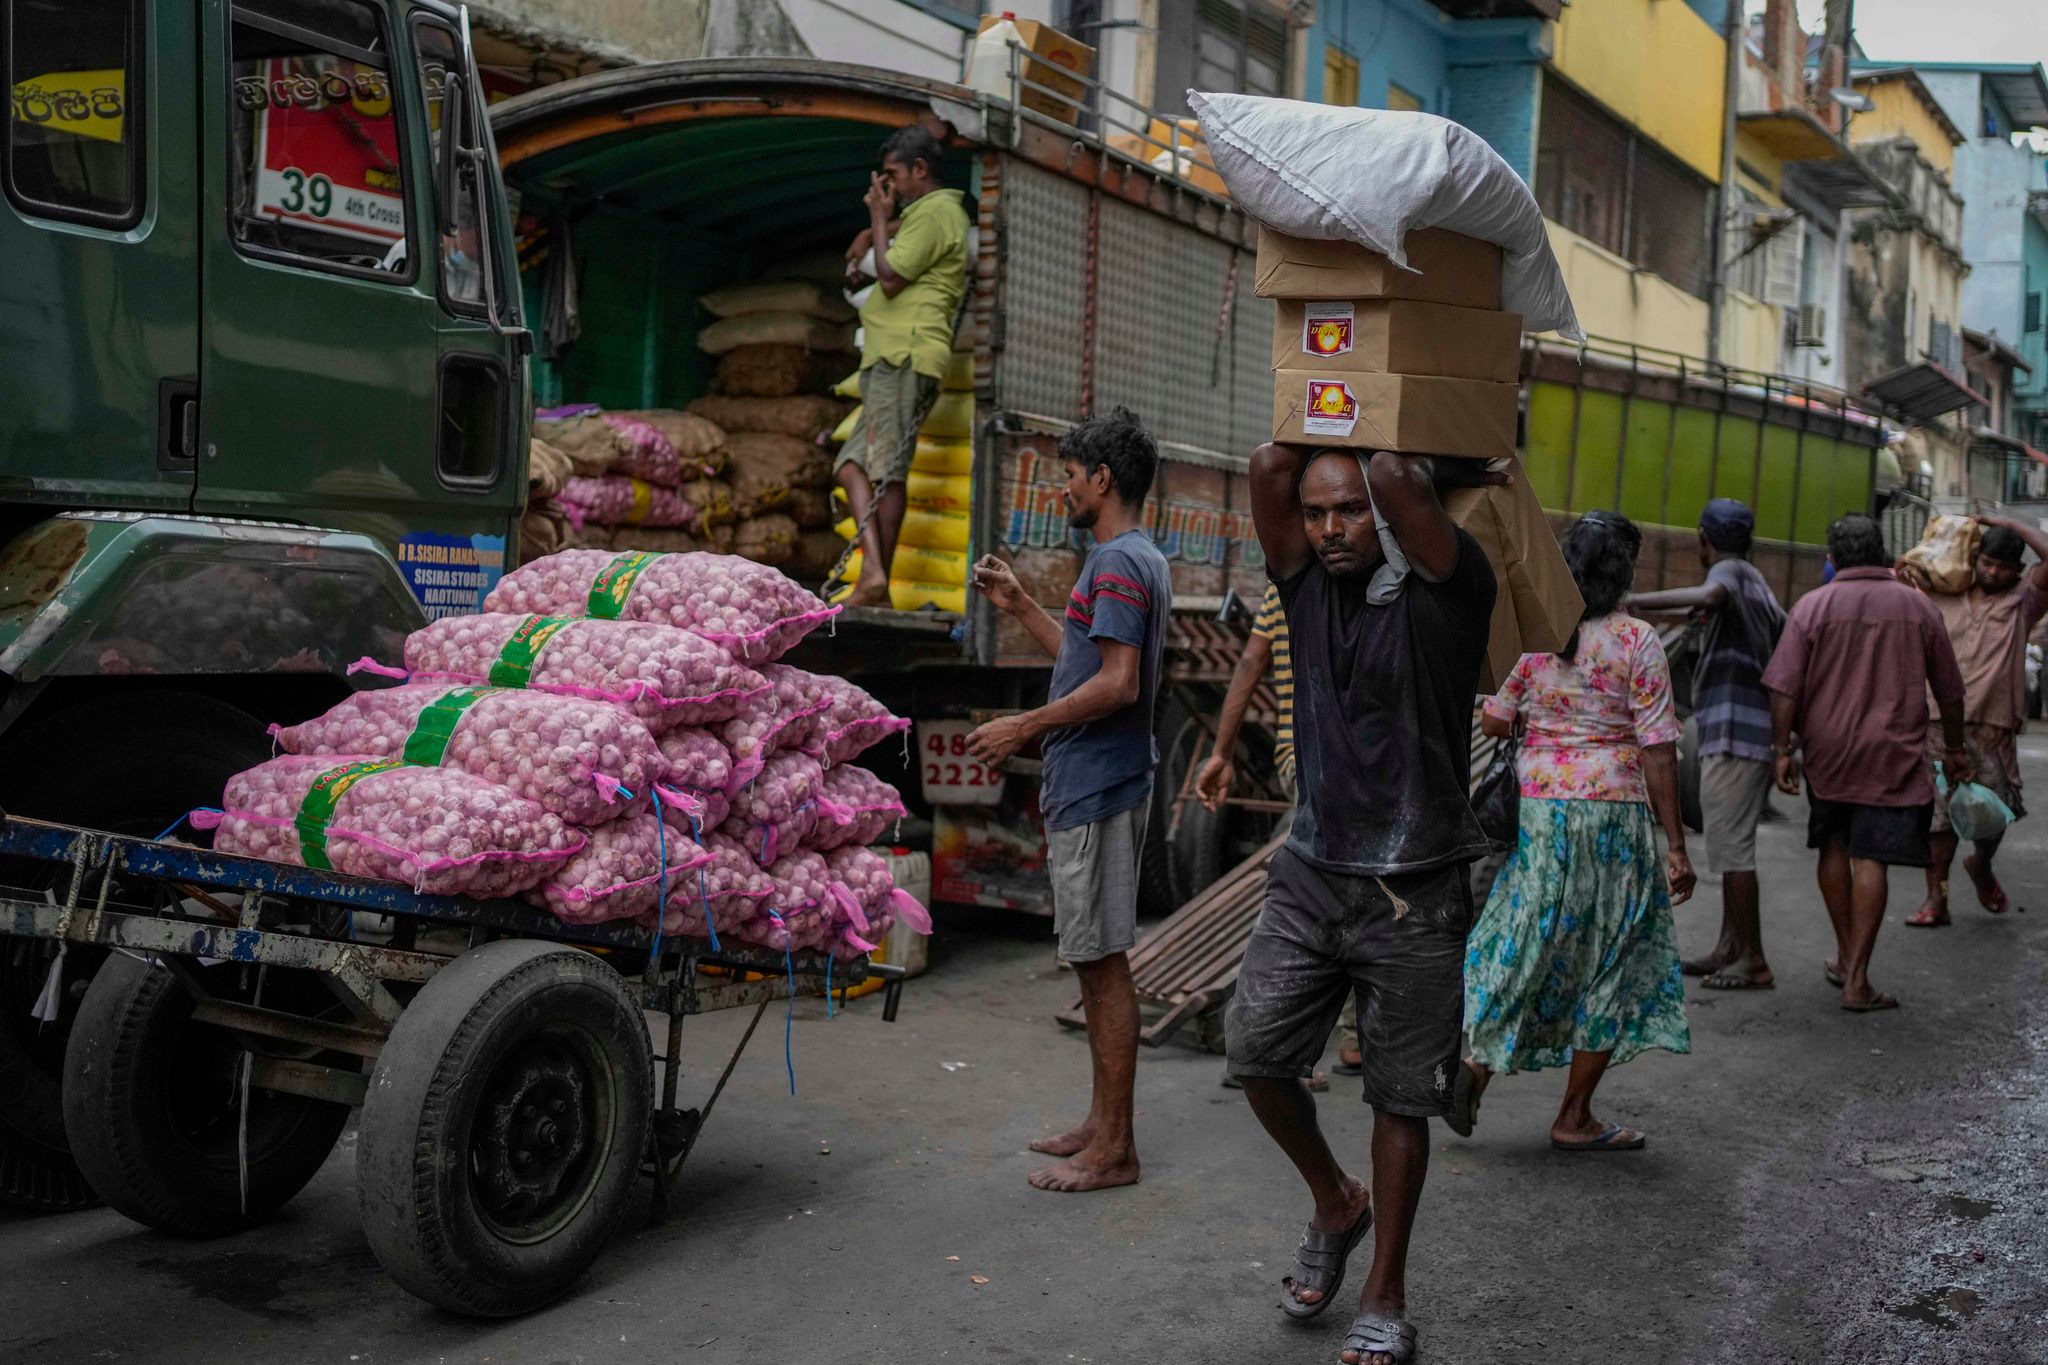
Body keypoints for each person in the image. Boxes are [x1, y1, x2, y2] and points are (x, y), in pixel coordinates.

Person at [1228, 443, 1499, 1365]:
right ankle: (1337, 1201)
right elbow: (1269, 464)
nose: (1330, 529)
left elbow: (1394, 474)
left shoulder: (1452, 593)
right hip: (1311, 870)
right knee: (1256, 1054)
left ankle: (1386, 1293)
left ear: (1385, 515)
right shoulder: (1303, 587)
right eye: (1317, 513)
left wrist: (1389, 424)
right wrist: (1330, 384)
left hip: (1416, 886)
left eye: (1348, 511)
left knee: (1399, 1096)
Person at [966, 407, 1169, 1193]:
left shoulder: (1118, 561)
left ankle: (1116, 1147)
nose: (1061, 490)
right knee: (1094, 959)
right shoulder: (1132, 557)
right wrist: (1021, 606)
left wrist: (1025, 723)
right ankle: (1101, 1121)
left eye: (1067, 475)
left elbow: (1118, 685)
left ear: (1102, 479)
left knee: (1103, 960)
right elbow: (1092, 660)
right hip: (1098, 779)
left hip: (1098, 782)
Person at [1462, 512, 1696, 1152]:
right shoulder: (1638, 640)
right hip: (1615, 813)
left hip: (1543, 810)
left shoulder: (1536, 637)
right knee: (1612, 954)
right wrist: (1675, 845)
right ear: (1625, 572)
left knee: (1525, 935)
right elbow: (1658, 749)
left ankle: (1475, 1067)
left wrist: (1549, 723)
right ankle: (1574, 1116)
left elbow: (1492, 720)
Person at [1761, 514, 1971, 1011]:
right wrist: (1957, 747)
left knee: (1832, 844)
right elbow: (1951, 690)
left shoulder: (1812, 607)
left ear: (1832, 558)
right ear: (1882, 552)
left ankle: (1843, 952)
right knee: (1870, 856)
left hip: (1828, 750)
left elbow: (1784, 690)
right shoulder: (1918, 608)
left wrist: (1781, 751)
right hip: (1893, 752)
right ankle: (1857, 976)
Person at [1195, 584, 1360, 1085]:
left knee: (1340, 892)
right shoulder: (1358, 581)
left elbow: (1250, 664)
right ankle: (1264, 1043)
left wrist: (1221, 752)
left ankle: (1346, 1036)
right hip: (1339, 764)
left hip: (1305, 761)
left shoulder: (1283, 586)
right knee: (1323, 898)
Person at [1626, 499, 1785, 989]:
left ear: (1703, 540)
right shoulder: (1755, 581)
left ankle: (1753, 958)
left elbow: (1711, 595)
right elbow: (1706, 605)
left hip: (1736, 733)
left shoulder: (1730, 574)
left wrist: (1633, 601)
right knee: (1726, 843)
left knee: (1733, 852)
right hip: (1744, 730)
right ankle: (1728, 948)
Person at [838, 124, 969, 607]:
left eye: (893, 175)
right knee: (852, 465)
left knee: (885, 473)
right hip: (889, 354)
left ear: (920, 169)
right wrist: (877, 228)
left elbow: (891, 279)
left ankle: (875, 579)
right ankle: (874, 576)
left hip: (906, 354)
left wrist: (877, 216)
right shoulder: (927, 215)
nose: (888, 187)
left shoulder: (938, 212)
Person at [1905, 518, 2048, 925]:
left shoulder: (2024, 600)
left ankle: (1981, 866)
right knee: (1939, 816)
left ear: (2018, 571)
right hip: (1936, 721)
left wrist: (2007, 523)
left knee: (1993, 812)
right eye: (1986, 563)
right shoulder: (1944, 589)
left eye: (2003, 567)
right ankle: (1937, 899)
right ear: (1974, 559)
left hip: (1993, 724)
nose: (1992, 572)